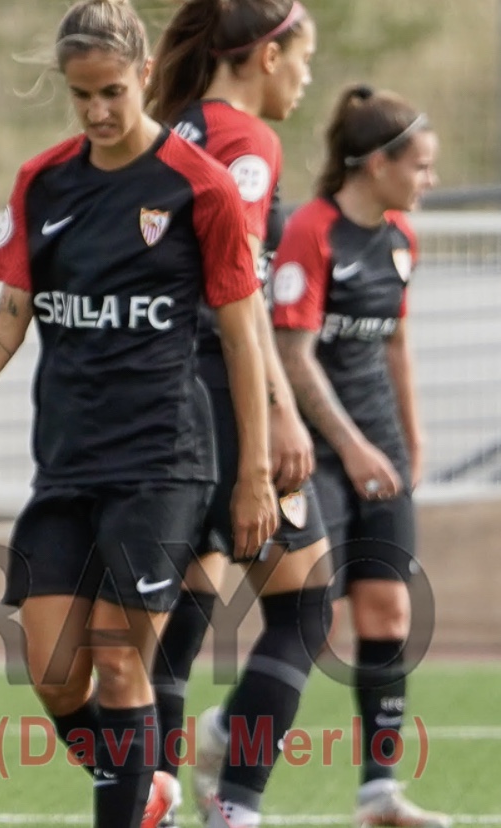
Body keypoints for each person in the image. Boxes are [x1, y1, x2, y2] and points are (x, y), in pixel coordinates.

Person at [0, 1, 277, 825]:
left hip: (162, 464)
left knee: (118, 663)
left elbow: (244, 338)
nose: (99, 111)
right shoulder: (43, 182)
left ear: (144, 74)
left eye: (113, 91)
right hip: (68, 462)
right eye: (82, 95)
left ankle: (130, 805)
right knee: (52, 673)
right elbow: (11, 316)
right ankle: (147, 788)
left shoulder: (201, 187)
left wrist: (253, 471)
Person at [142, 3, 334, 826]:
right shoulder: (244, 140)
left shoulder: (173, 128)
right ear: (267, 56)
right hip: (223, 395)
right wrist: (281, 414)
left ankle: (153, 800)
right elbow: (240, 294)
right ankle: (237, 803)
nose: (306, 77)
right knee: (305, 606)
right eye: (304, 58)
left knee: (182, 621)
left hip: (161, 399)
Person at [272, 85, 449, 828]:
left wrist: (412, 437)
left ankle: (379, 792)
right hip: (315, 453)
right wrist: (349, 446)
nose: (430, 179)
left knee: (390, 606)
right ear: (378, 164)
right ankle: (229, 737)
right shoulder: (311, 232)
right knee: (312, 617)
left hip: (380, 449)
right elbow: (294, 355)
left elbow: (396, 342)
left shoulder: (401, 238)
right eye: (421, 165)